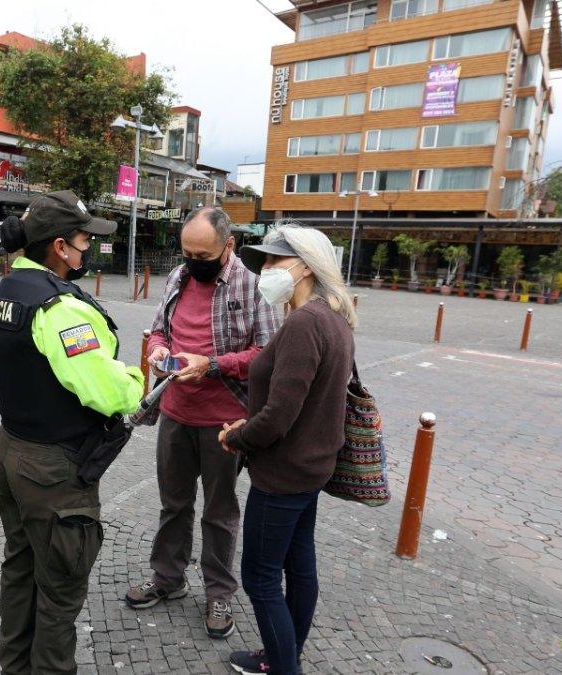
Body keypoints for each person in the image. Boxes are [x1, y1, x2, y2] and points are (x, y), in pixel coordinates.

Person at [0, 190, 145, 675]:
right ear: (58, 246)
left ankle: (15, 666)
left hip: (12, 450)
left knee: (21, 571)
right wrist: (137, 381)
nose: (86, 248)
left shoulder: (3, 295)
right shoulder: (60, 309)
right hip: (53, 468)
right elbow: (106, 391)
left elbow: (4, 373)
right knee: (60, 589)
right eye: (81, 239)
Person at [124, 207, 278, 639]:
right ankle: (168, 579)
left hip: (224, 424)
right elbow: (158, 331)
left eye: (203, 254)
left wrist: (212, 365)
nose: (194, 261)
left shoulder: (252, 287)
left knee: (220, 511)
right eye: (188, 252)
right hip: (175, 411)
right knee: (173, 504)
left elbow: (267, 355)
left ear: (228, 246)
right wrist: (158, 352)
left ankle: (218, 593)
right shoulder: (178, 277)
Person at [217, 225, 357, 675]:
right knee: (299, 565)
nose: (267, 270)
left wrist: (236, 435)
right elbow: (303, 401)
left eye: (277, 262)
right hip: (312, 468)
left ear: (305, 268)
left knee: (260, 578)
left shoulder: (304, 323)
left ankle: (282, 667)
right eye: (266, 262)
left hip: (283, 475)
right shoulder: (334, 317)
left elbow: (279, 414)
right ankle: (283, 655)